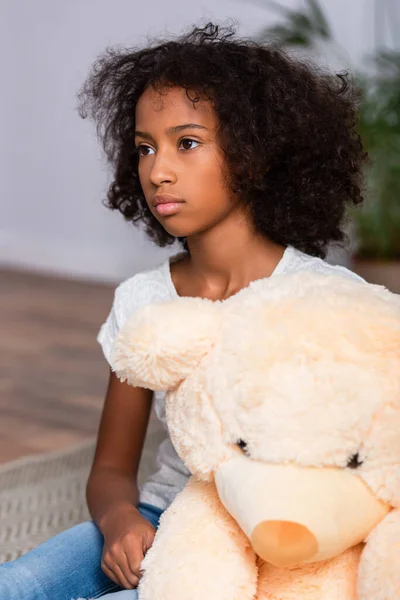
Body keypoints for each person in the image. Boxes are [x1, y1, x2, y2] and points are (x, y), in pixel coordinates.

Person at [0, 21, 367, 600]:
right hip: (159, 516)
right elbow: (111, 470)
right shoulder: (142, 301)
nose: (156, 170)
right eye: (145, 147)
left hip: (269, 541)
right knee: (15, 584)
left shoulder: (326, 298)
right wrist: (122, 520)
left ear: (254, 154)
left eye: (186, 142)